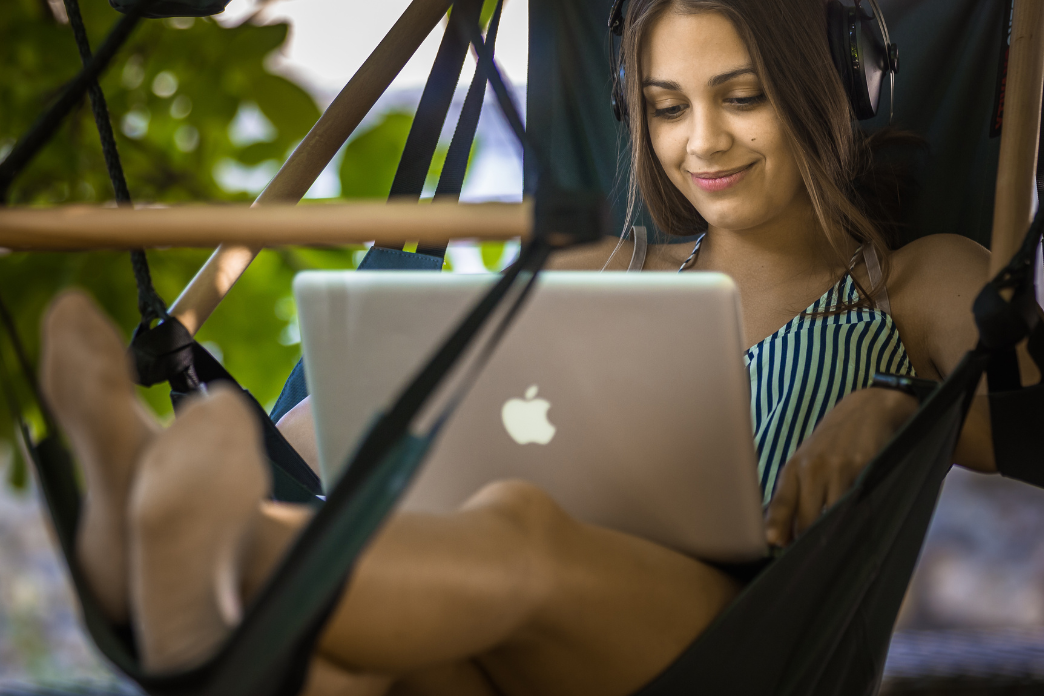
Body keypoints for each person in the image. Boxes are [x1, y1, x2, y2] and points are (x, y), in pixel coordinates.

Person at [40, 1, 1033, 694]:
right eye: (668, 106)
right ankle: (181, 565)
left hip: (738, 643)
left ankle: (197, 556)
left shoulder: (915, 281)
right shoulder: (605, 267)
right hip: (513, 637)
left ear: (834, 87)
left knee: (519, 517)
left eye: (743, 96)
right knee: (354, 671)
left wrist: (903, 414)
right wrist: (274, 446)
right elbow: (386, 412)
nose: (703, 145)